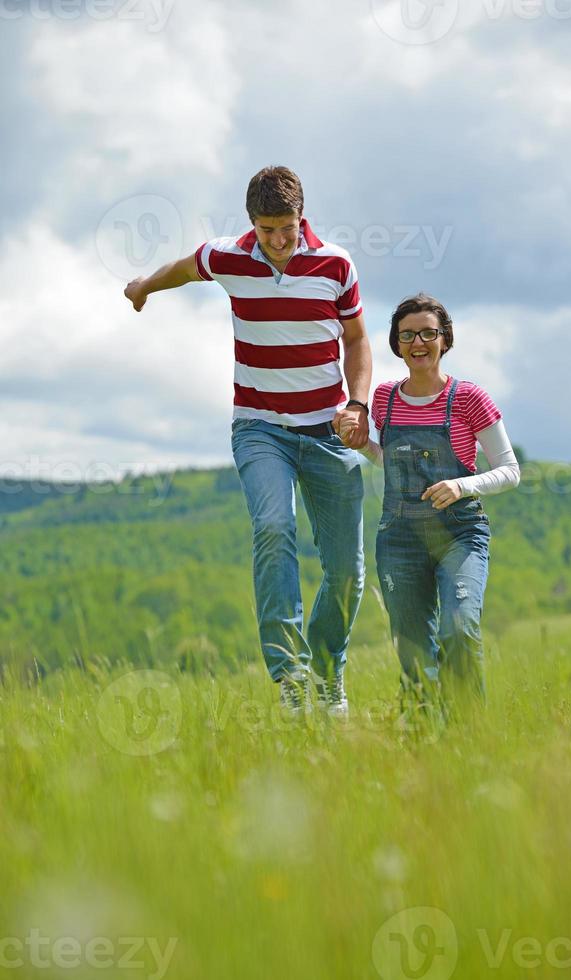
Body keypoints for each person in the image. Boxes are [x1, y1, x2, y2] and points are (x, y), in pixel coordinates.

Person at [124, 166, 372, 716]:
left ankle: (330, 673)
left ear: (302, 217)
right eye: (267, 230)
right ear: (251, 224)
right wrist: (142, 286)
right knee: (273, 525)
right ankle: (290, 676)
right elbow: (182, 270)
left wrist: (356, 403)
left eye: (288, 227)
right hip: (260, 428)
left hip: (327, 432)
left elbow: (356, 339)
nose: (279, 241)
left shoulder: (335, 264)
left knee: (348, 569)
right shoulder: (227, 257)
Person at [337, 293, 520, 722]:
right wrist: (362, 443)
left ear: (445, 339)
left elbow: (510, 470)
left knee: (459, 628)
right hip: (399, 537)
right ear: (396, 344)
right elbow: (393, 461)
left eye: (427, 333)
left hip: (459, 533)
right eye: (407, 335)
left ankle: (468, 731)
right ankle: (423, 737)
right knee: (412, 646)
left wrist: (461, 484)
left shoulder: (470, 397)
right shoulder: (383, 399)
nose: (417, 342)